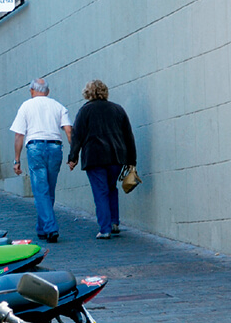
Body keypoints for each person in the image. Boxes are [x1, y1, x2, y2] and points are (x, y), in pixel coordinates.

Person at [68, 79, 137, 239]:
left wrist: (73, 158)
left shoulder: (85, 111)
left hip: (95, 157)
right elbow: (128, 136)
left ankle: (105, 228)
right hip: (117, 157)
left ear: (87, 93)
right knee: (111, 188)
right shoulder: (118, 109)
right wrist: (132, 160)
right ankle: (114, 222)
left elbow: (77, 136)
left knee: (101, 192)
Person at [10, 78, 72, 244]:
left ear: (31, 91)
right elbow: (68, 130)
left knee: (40, 190)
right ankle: (42, 228)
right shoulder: (58, 106)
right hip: (55, 148)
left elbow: (19, 135)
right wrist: (73, 154)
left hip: (36, 148)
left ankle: (51, 228)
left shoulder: (26, 106)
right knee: (48, 190)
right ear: (48, 91)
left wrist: (16, 160)